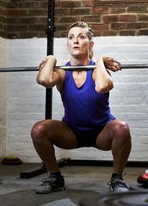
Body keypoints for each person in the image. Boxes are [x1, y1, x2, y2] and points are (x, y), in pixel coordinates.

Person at [31, 21, 132, 194]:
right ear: (68, 44)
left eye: (81, 37)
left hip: (102, 133)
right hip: (71, 133)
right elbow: (44, 80)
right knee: (38, 130)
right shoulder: (62, 72)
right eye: (71, 38)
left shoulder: (96, 69)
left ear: (90, 44)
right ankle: (55, 178)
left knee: (122, 128)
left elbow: (102, 87)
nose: (75, 41)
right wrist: (51, 59)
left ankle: (117, 179)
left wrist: (100, 60)